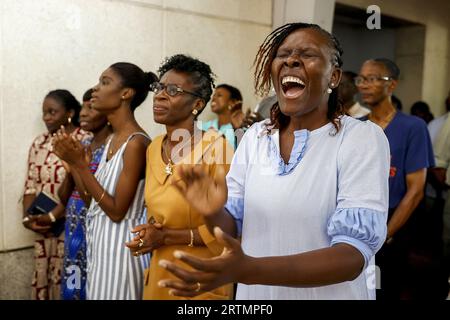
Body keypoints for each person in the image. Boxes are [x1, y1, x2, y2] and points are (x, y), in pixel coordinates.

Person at [156, 23, 390, 300]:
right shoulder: (256, 137)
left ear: (334, 77)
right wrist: (211, 211)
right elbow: (230, 227)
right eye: (283, 54)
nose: (291, 60)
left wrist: (249, 270)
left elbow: (352, 256)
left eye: (307, 54)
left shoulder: (360, 138)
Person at [125, 54, 234, 300]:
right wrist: (150, 233)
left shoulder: (217, 149)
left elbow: (231, 230)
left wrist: (166, 237)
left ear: (197, 104)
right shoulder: (153, 148)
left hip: (199, 283)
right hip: (159, 280)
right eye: (160, 87)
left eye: (173, 90)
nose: (160, 95)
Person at [53, 63, 156, 300]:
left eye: (105, 82)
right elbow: (92, 205)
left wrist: (80, 166)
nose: (95, 89)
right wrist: (75, 165)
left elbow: (117, 211)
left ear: (126, 93)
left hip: (122, 252)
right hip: (100, 250)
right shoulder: (112, 141)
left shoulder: (136, 143)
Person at [355, 58, 435, 299]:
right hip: (358, 221)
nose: (364, 85)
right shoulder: (356, 127)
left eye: (372, 79)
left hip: (393, 222)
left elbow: (416, 191)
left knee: (384, 287)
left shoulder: (413, 127)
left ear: (392, 85)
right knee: (358, 289)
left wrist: (384, 234)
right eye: (361, 79)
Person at [22, 89, 86, 300]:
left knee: (67, 282)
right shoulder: (39, 142)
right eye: (44, 112)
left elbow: (82, 187)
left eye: (52, 112)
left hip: (71, 227)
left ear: (69, 113)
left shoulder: (83, 140)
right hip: (43, 229)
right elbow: (30, 185)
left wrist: (54, 216)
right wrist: (29, 218)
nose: (46, 117)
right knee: (44, 281)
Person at [59, 89, 112, 300]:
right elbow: (65, 197)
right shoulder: (84, 145)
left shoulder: (112, 148)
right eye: (83, 106)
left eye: (91, 106)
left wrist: (76, 165)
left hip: (96, 232)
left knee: (95, 288)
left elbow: (93, 198)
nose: (83, 112)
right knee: (74, 286)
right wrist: (71, 163)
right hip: (74, 228)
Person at [200, 84, 243, 149]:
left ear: (232, 102)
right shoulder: (204, 126)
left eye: (219, 95)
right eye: (214, 95)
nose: (213, 98)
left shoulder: (241, 128)